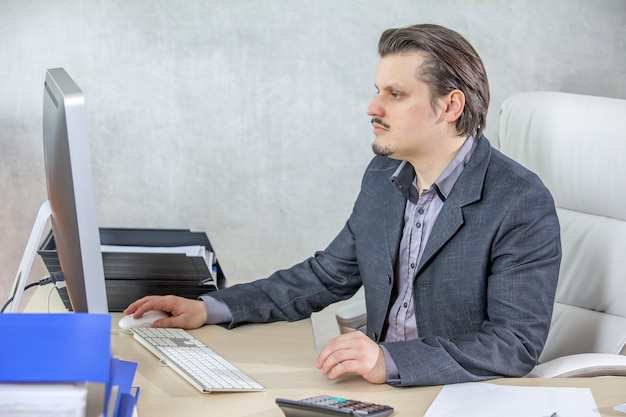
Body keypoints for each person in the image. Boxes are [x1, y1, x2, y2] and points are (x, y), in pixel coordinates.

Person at [124, 23, 561, 387]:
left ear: (450, 105)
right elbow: (325, 275)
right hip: (378, 392)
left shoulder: (520, 202)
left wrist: (387, 361)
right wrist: (210, 307)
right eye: (377, 91)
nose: (373, 107)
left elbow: (513, 343)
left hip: (448, 395)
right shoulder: (384, 177)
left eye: (395, 93)